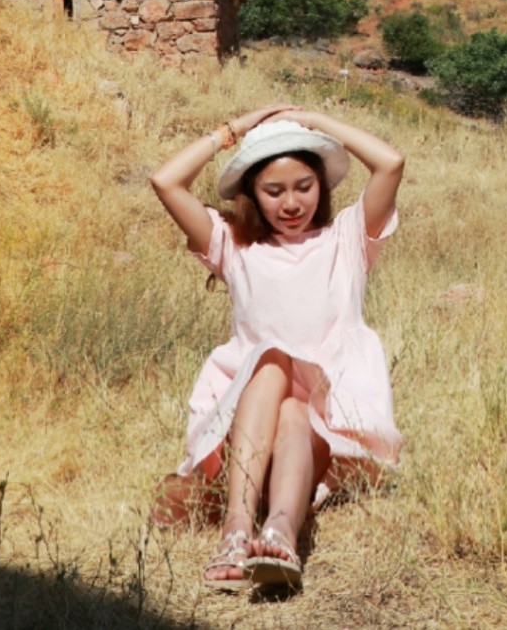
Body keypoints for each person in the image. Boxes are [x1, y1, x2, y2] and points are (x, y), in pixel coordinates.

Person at [149, 103, 404, 593]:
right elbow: (166, 181)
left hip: (321, 429)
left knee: (295, 407)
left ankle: (281, 531)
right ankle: (239, 528)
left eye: (304, 186)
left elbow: (390, 163)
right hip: (247, 424)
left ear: (322, 187)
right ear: (253, 196)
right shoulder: (235, 245)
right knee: (272, 365)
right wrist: (235, 131)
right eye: (274, 191)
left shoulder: (346, 240)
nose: (291, 203)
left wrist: (316, 123)